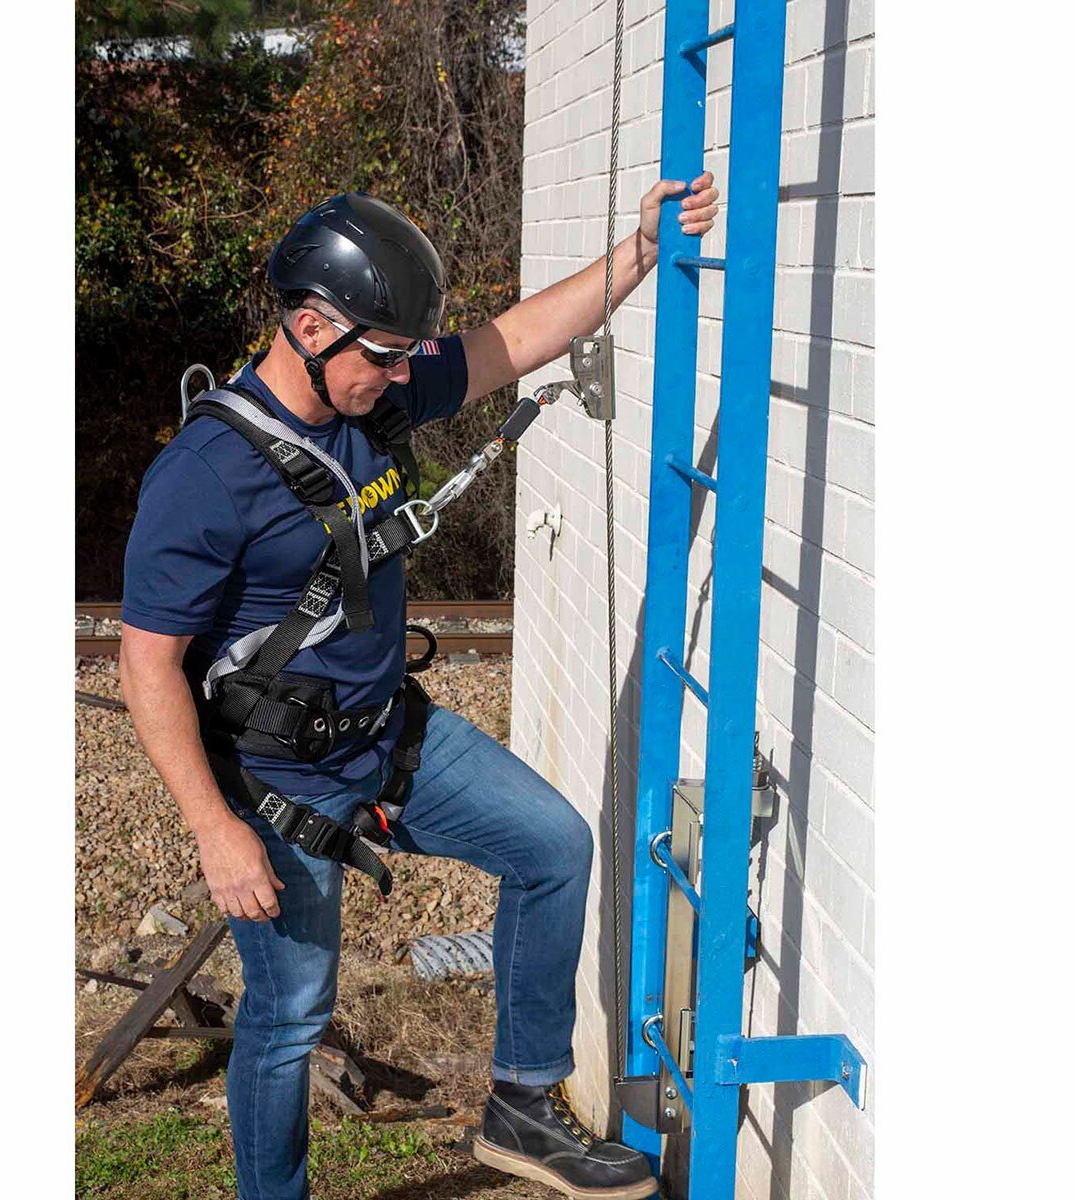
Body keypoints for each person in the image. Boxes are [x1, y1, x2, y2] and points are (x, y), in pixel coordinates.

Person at [120, 174, 719, 1200]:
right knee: (291, 1016)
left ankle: (521, 1106)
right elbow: (147, 664)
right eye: (385, 355)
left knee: (553, 845)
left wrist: (640, 252)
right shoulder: (206, 474)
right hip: (278, 781)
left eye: (406, 356)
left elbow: (509, 343)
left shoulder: (373, 386)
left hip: (390, 736)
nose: (401, 375)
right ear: (311, 327)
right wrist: (216, 830)